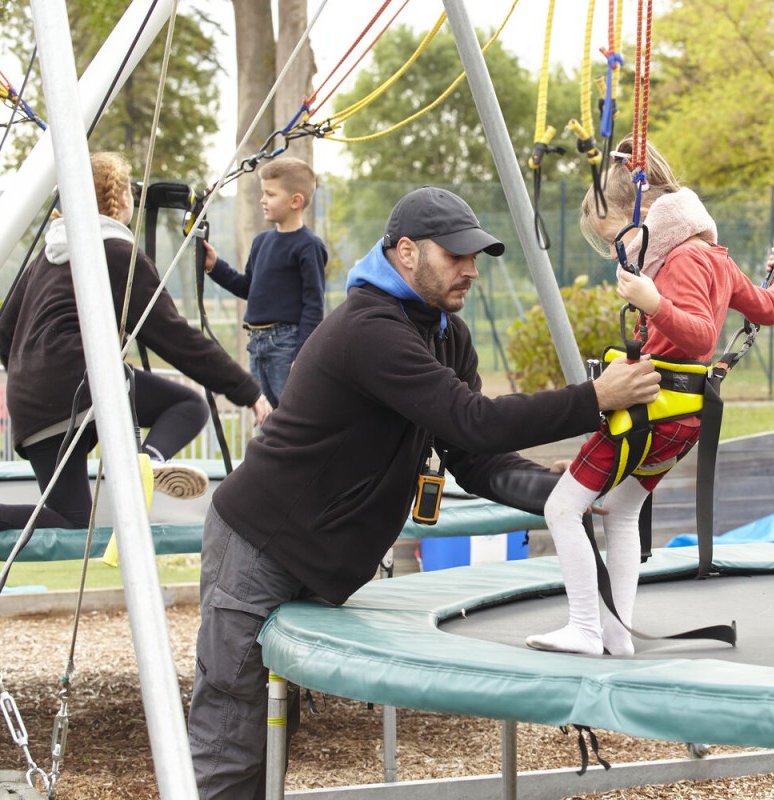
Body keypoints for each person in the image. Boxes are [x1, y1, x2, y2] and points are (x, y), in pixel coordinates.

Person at [187, 185, 661, 799]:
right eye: (455, 255)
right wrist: (593, 398)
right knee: (232, 733)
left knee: (272, 727)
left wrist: (567, 491)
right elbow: (473, 420)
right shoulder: (369, 327)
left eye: (474, 257)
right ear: (406, 252)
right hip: (259, 544)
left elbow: (475, 458)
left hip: (314, 554)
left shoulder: (446, 335)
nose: (470, 270)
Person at [525, 137, 774, 657]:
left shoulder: (684, 259)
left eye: (617, 238)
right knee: (621, 510)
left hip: (653, 411)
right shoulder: (714, 257)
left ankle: (585, 627)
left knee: (561, 508)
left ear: (645, 215)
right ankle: (617, 635)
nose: (618, 252)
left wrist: (653, 302)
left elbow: (699, 335)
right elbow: (769, 307)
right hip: (680, 419)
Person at [0, 152, 272, 548]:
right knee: (188, 406)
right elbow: (173, 337)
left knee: (71, 520)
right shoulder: (116, 252)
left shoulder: (47, 255)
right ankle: (147, 461)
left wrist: (34, 379)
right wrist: (248, 391)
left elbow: (5, 332)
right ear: (121, 199)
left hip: (31, 403)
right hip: (81, 383)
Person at [202, 156, 328, 408]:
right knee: (265, 415)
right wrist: (215, 266)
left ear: (295, 201)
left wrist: (302, 354)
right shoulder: (261, 242)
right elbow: (248, 287)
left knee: (291, 414)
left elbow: (313, 305)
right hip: (257, 343)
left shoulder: (308, 246)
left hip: (286, 345)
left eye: (270, 194)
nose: (262, 200)